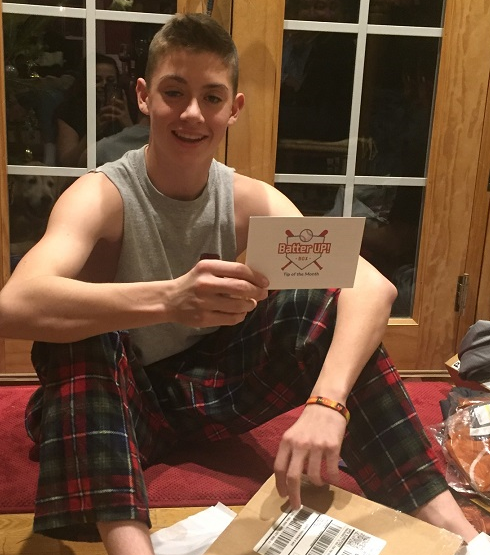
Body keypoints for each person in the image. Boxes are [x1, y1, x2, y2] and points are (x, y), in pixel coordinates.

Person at [0, 13, 488, 555]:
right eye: (173, 92)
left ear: (233, 108)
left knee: (312, 307)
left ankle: (463, 537)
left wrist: (328, 403)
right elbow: (14, 305)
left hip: (200, 396)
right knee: (82, 336)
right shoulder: (101, 194)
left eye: (211, 97)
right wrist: (170, 298)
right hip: (104, 407)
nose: (192, 113)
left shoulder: (249, 199)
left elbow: (372, 288)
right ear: (143, 96)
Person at [56, 53, 134, 166]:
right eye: (97, 80)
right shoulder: (70, 110)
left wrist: (128, 125)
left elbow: (146, 155)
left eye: (110, 81)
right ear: (85, 82)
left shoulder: (128, 107)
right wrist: (93, 131)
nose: (104, 85)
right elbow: (67, 163)